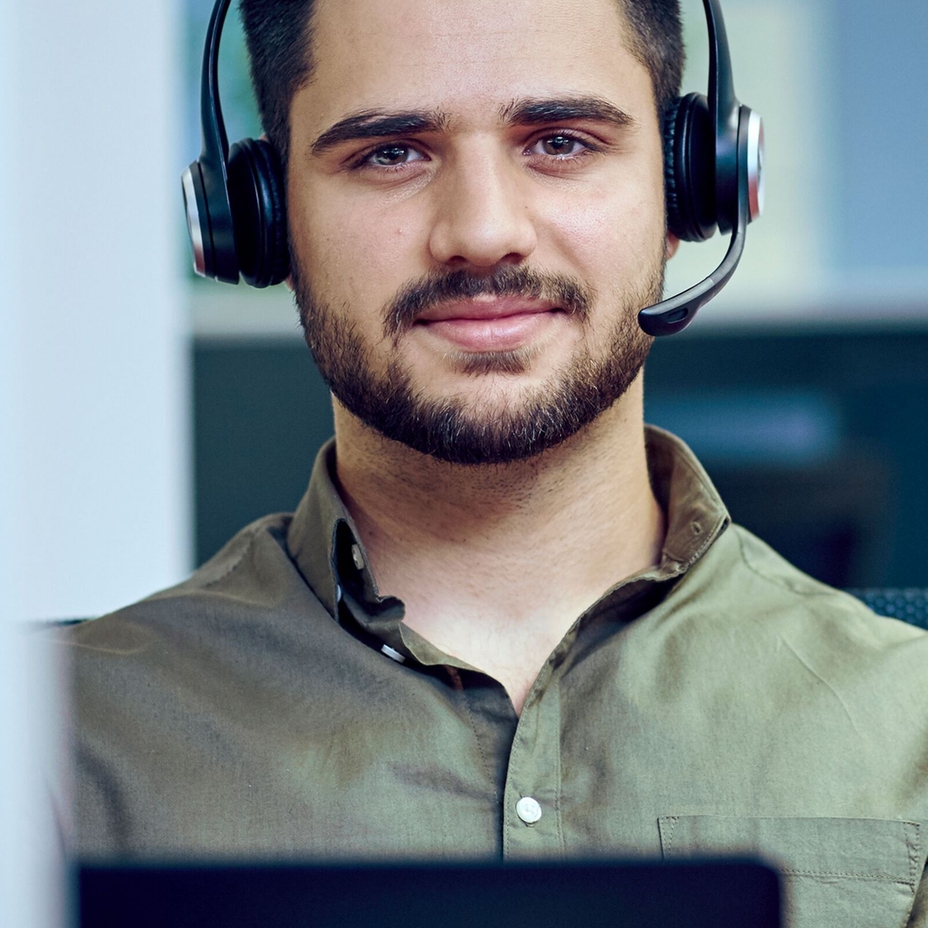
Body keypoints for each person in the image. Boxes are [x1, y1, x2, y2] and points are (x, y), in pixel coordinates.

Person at [60, 0, 928, 925]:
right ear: (258, 221)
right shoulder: (61, 738)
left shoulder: (910, 723)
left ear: (692, 187)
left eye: (560, 141)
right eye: (390, 153)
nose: (480, 231)